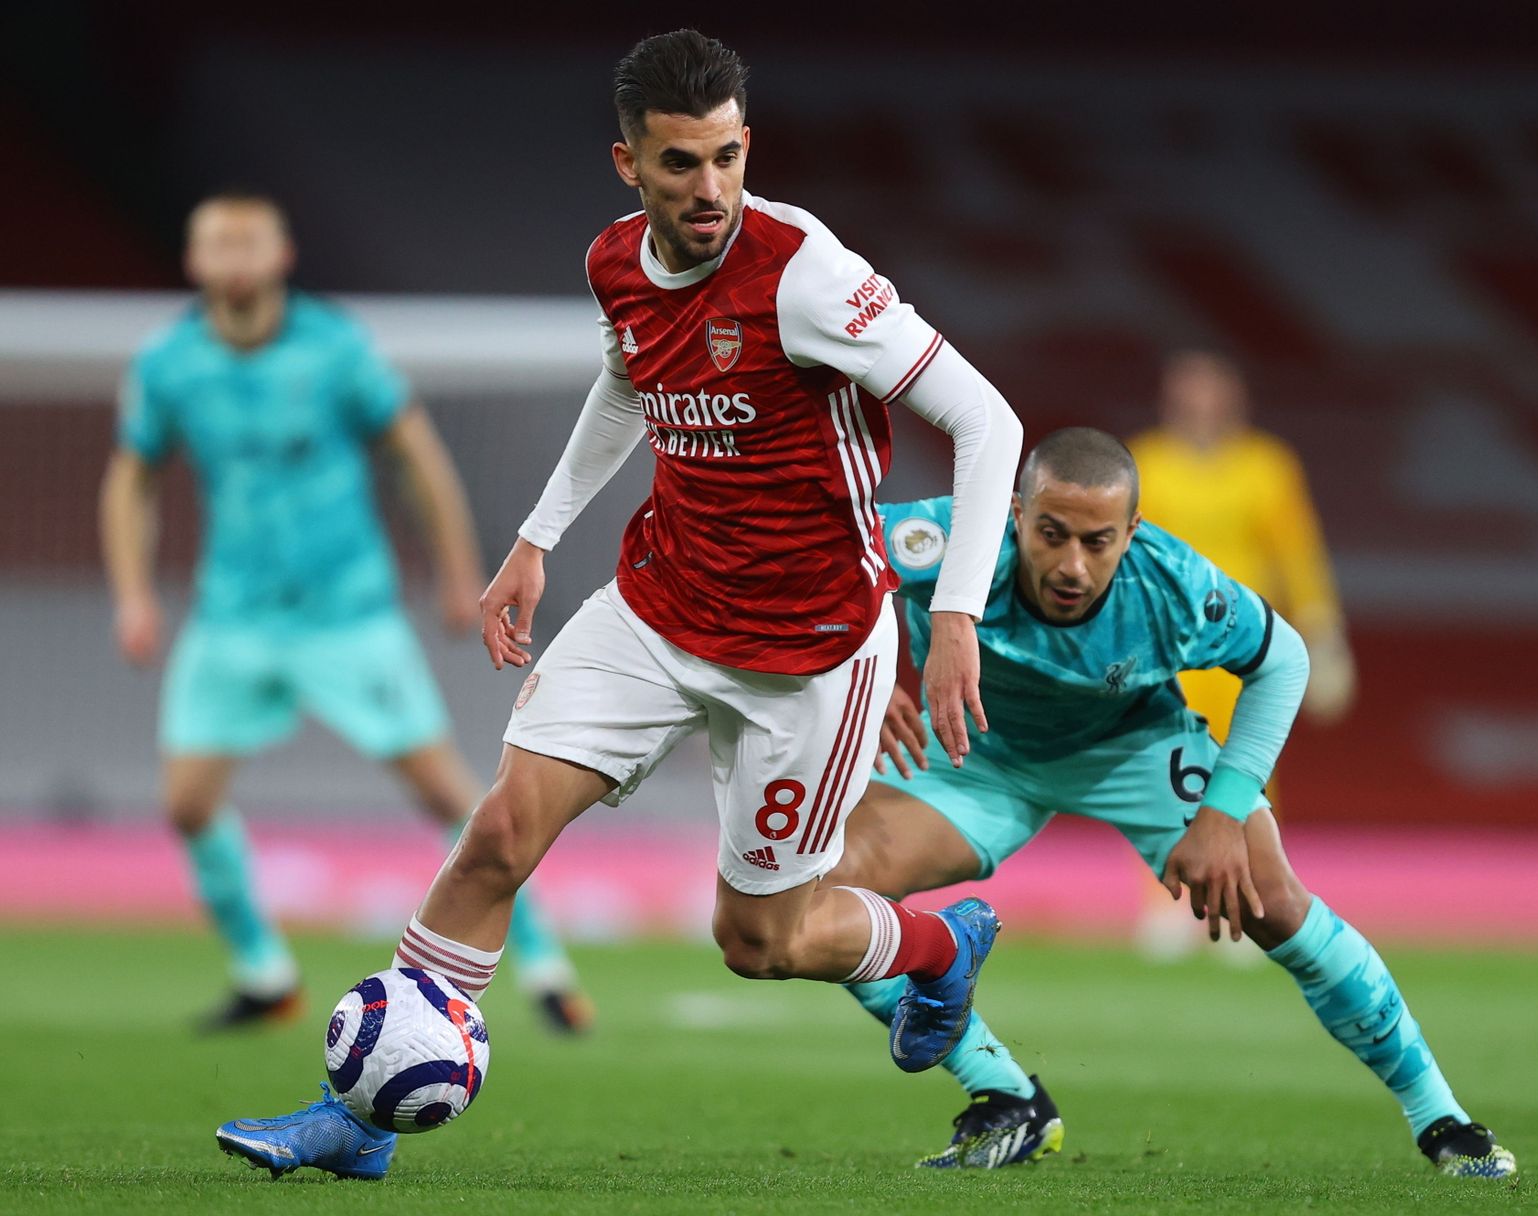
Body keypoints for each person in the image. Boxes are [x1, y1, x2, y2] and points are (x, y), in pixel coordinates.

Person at [214, 29, 1024, 1180]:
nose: (709, 188)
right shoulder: (614, 263)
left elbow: (987, 419)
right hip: (656, 606)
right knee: (498, 833)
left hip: (805, 652)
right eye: (680, 162)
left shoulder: (805, 275)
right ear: (627, 162)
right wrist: (535, 538)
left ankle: (939, 948)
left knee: (762, 940)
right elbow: (627, 380)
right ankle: (360, 1120)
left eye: (727, 158)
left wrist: (954, 617)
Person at [827, 427, 1514, 1179]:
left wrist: (1223, 814)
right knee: (830, 893)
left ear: (1132, 534)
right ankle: (1006, 1097)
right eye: (1052, 534)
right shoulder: (950, 537)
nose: (1072, 565)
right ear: (1015, 513)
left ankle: (1443, 1119)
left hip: (1132, 747)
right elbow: (822, 559)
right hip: (976, 748)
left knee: (1275, 903)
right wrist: (859, 671)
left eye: (1098, 542)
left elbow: (1283, 659)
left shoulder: (1172, 585)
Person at [100, 191, 592, 1034]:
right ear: (193, 261)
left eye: (250, 240)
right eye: (218, 242)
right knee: (185, 803)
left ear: (282, 256)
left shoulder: (335, 348)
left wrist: (456, 571)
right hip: (233, 616)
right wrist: (133, 593)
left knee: (446, 791)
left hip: (348, 611)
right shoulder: (169, 363)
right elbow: (131, 477)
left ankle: (545, 964)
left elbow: (415, 453)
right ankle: (264, 972)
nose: (234, 256)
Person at [1127, 351, 1357, 959]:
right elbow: (1126, 551)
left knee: (1250, 770)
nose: (1201, 408)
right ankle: (1168, 900)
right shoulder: (1146, 461)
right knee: (1163, 766)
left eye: (1212, 396)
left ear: (1234, 402)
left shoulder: (1267, 467)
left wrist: (1323, 631)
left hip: (1248, 641)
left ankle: (1251, 898)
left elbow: (1298, 552)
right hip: (1170, 641)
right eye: (1189, 396)